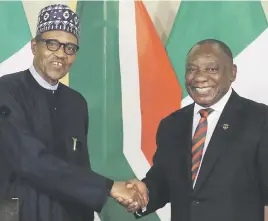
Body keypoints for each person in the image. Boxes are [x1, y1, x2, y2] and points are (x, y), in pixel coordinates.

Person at [0, 4, 146, 221]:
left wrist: (123, 195)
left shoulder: (76, 102)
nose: (60, 54)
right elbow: (29, 159)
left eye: (70, 48)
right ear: (34, 46)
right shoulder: (7, 90)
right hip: (22, 211)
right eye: (52, 44)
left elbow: (79, 168)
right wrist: (110, 187)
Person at [122, 39, 268, 221]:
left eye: (211, 69)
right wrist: (143, 195)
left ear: (232, 72)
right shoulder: (172, 124)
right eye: (192, 69)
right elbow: (164, 180)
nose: (199, 77)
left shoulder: (260, 119)